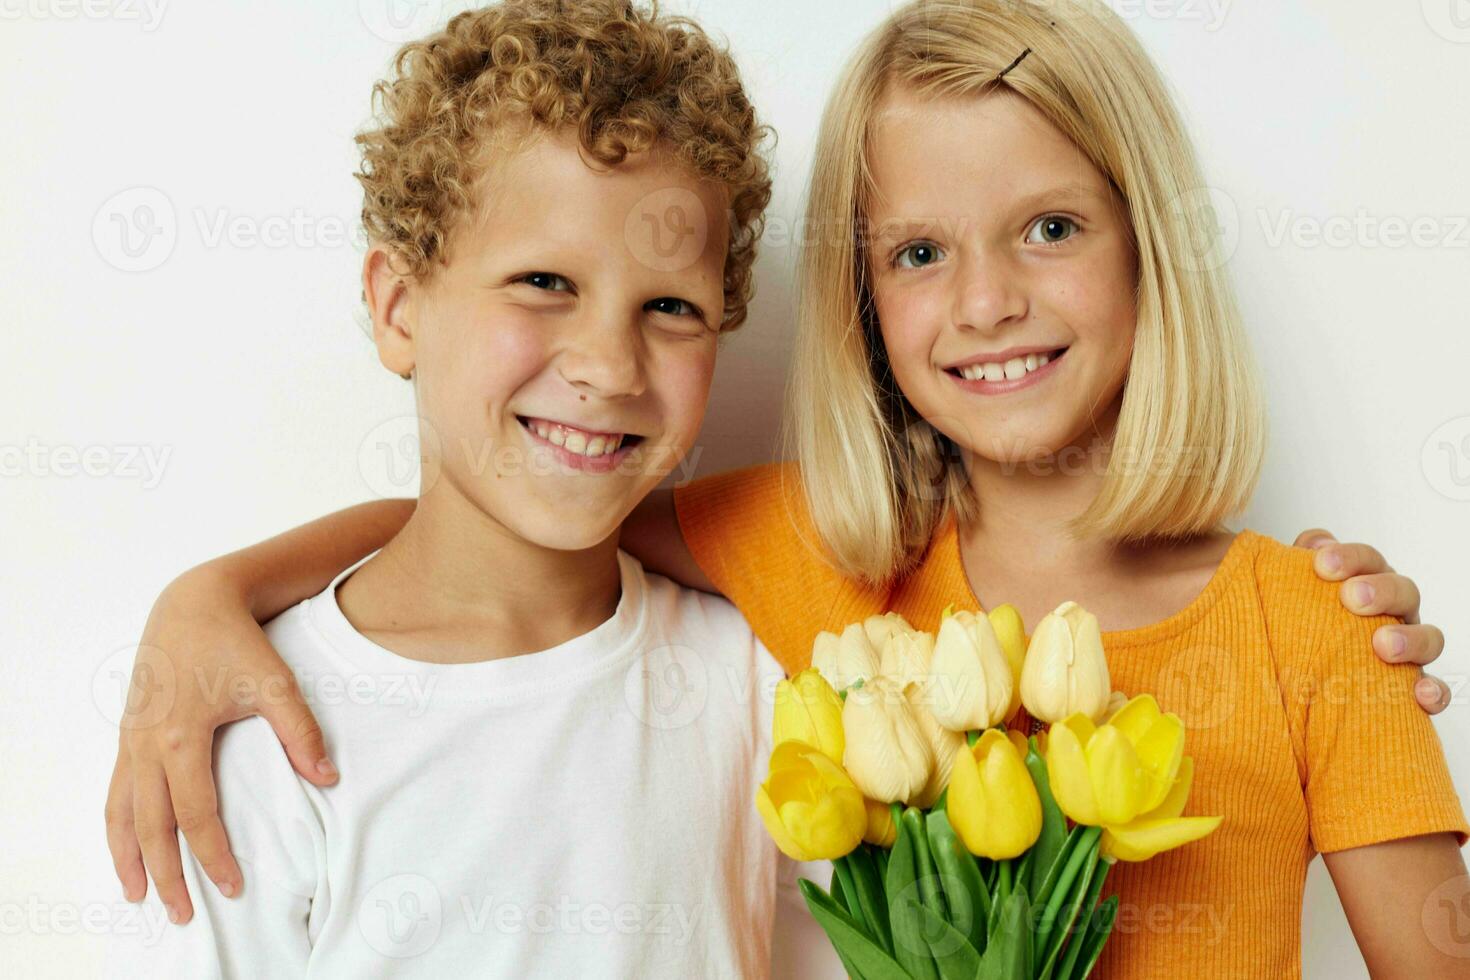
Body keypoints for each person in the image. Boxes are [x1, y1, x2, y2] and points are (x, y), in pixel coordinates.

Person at [106, 0, 1461, 974]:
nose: (987, 301)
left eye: (1050, 229)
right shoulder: (818, 564)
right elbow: (514, 522)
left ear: (1147, 249)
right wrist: (209, 595)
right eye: (919, 251)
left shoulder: (1319, 626)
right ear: (862, 303)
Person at [110, 1, 788, 974]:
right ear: (398, 308)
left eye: (672, 306)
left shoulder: (759, 681)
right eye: (544, 282)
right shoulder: (259, 723)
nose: (608, 365)